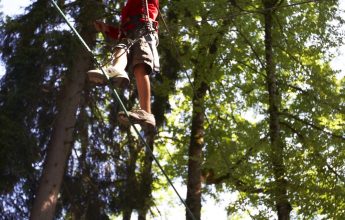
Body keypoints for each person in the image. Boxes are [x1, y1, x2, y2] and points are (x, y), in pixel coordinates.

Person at [87, 0, 159, 132]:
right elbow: (122, 29)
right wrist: (107, 28)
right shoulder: (127, 8)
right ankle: (117, 69)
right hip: (129, 32)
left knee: (140, 67)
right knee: (120, 48)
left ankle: (146, 113)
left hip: (143, 30)